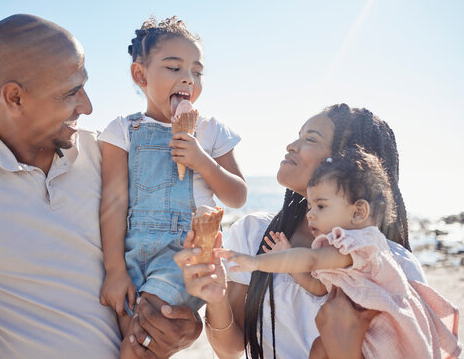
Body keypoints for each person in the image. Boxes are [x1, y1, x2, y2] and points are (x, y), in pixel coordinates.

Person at [0, 14, 202, 359]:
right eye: (71, 92)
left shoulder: (109, 156)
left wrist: (185, 324)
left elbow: (162, 251)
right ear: (14, 98)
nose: (87, 106)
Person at [175, 104, 429, 359]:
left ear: (348, 162)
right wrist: (216, 300)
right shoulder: (257, 234)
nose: (291, 145)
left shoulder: (392, 266)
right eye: (298, 135)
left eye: (310, 138)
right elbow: (229, 349)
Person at [217, 147, 461, 358]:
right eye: (310, 206)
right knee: (318, 350)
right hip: (352, 333)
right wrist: (291, 267)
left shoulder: (360, 244)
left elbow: (311, 260)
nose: (310, 214)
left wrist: (257, 262)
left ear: (358, 212)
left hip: (380, 335)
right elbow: (317, 286)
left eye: (321, 206)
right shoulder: (340, 249)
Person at [97, 16, 247, 358]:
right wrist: (115, 270)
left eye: (197, 71)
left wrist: (202, 161)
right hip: (134, 249)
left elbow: (237, 196)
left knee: (144, 333)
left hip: (186, 252)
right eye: (173, 67)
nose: (187, 79)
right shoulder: (122, 130)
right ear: (140, 75)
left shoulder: (211, 131)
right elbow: (114, 201)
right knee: (132, 330)